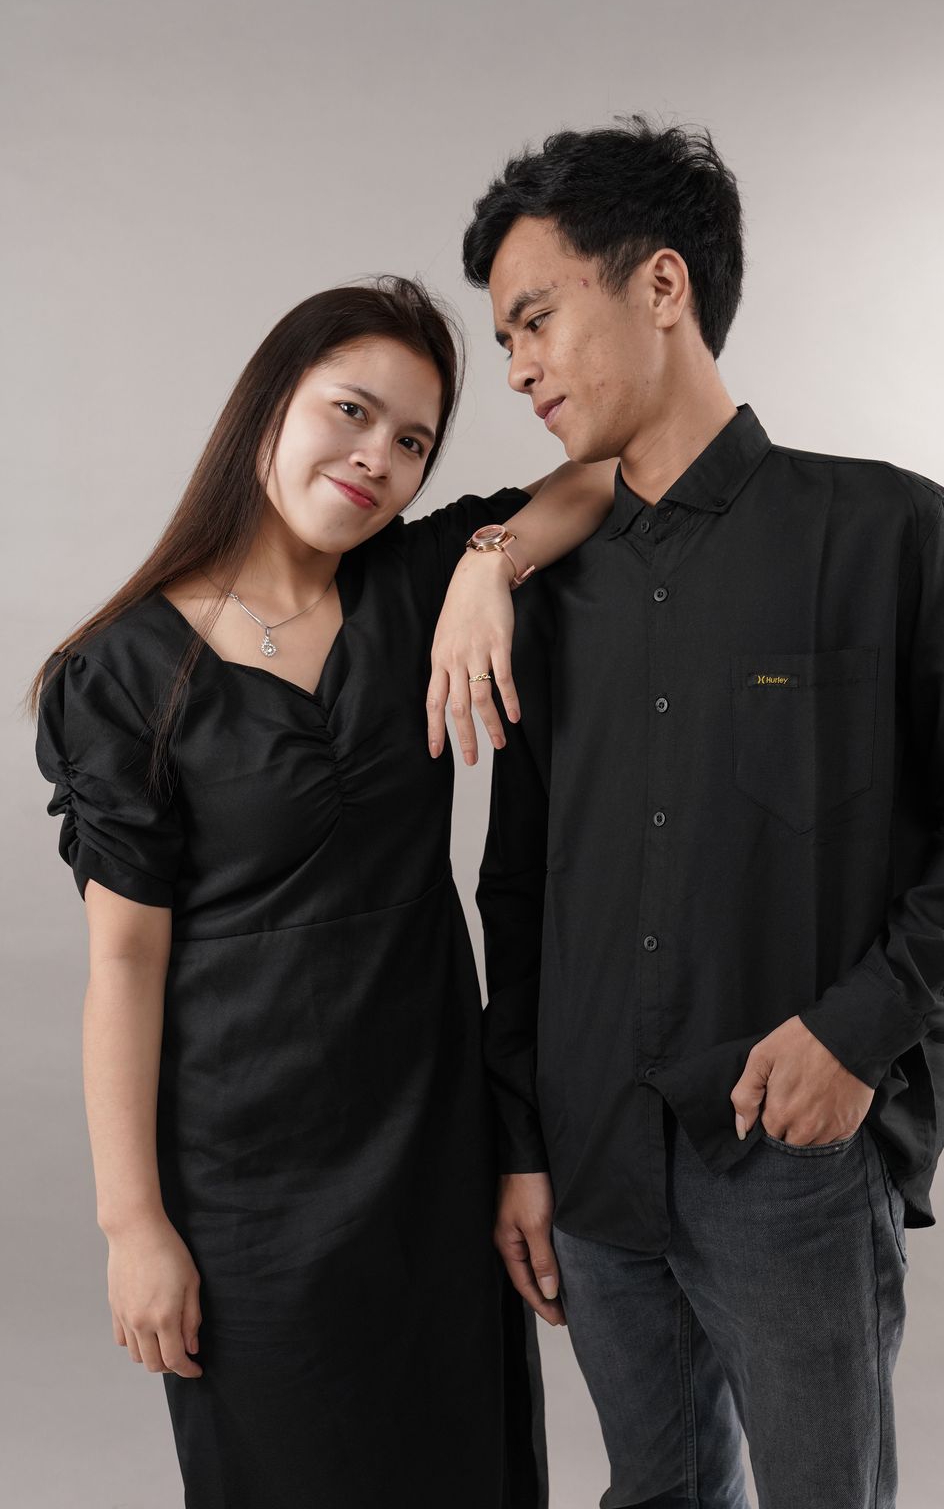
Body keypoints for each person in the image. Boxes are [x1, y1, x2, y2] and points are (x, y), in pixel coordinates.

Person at [465, 119, 944, 1508]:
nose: (518, 369)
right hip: (594, 1157)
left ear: (661, 285)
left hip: (789, 1158)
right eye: (503, 343)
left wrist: (857, 1030)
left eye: (535, 319)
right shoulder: (546, 590)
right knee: (651, 1493)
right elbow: (517, 888)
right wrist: (522, 1143)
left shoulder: (890, 533)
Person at [32, 277, 616, 1508]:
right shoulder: (122, 672)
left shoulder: (414, 585)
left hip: (433, 1153)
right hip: (246, 1184)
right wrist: (132, 1225)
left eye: (411, 441)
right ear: (269, 406)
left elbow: (608, 475)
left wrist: (488, 565)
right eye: (350, 411)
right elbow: (124, 965)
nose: (376, 459)